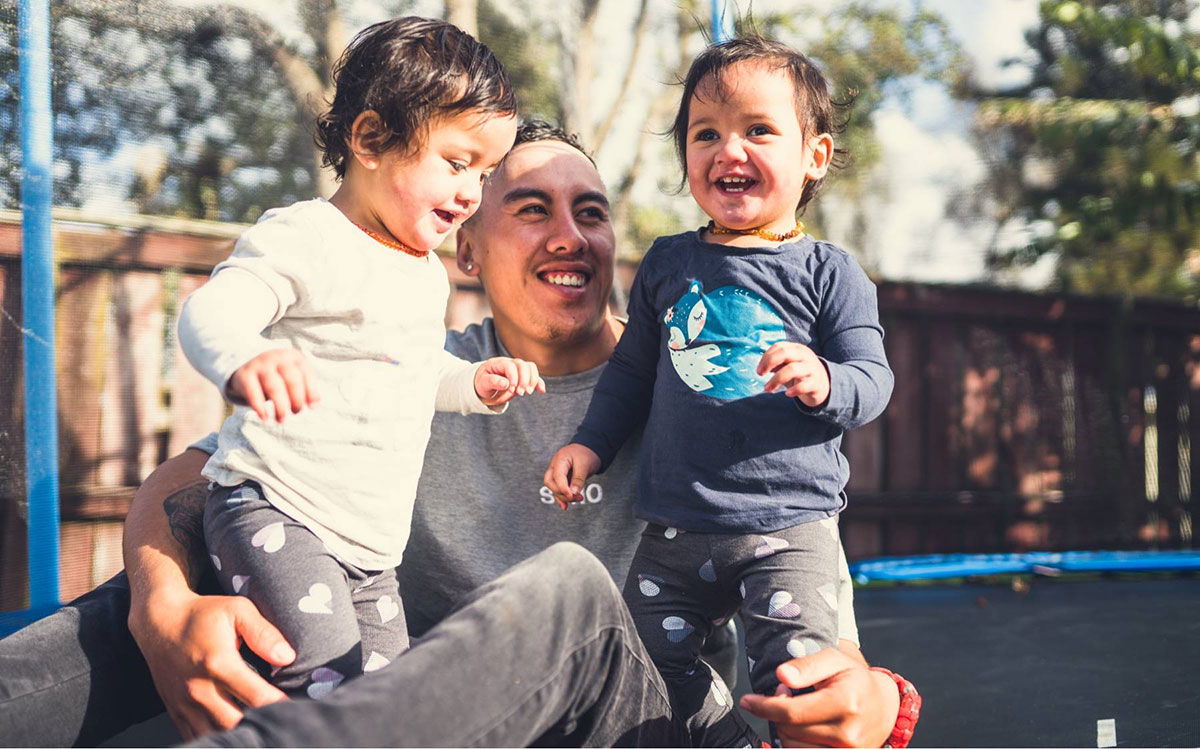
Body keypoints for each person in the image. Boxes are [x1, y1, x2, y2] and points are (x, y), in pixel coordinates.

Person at [0, 121, 909, 748]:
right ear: (465, 251)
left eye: (590, 212)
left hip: (626, 722)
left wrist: (868, 695)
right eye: (531, 210)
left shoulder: (700, 378)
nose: (570, 235)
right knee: (163, 601)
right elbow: (194, 486)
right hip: (433, 714)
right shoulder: (404, 368)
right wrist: (161, 612)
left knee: (568, 591)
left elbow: (812, 596)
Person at [176, 16, 544, 699]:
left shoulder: (422, 271)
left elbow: (408, 367)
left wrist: (469, 383)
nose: (471, 192)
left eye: (485, 173)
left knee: (385, 698)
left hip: (372, 553)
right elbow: (211, 310)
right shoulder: (309, 235)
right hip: (275, 510)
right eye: (458, 162)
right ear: (371, 138)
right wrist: (243, 357)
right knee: (323, 673)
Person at [545, 35, 893, 746]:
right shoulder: (671, 263)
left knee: (796, 679)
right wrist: (590, 442)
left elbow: (872, 379)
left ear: (814, 156)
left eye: (758, 130)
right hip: (676, 527)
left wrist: (826, 380)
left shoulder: (830, 273)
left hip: (789, 527)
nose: (727, 149)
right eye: (706, 134)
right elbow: (633, 375)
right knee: (643, 668)